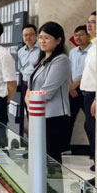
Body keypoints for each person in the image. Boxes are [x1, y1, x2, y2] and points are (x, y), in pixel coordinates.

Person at [26, 22, 71, 163]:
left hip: (53, 116)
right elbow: (30, 86)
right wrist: (29, 100)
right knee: (40, 157)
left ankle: (53, 179)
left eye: (47, 38)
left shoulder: (61, 60)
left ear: (58, 40)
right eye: (40, 37)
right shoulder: (42, 60)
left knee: (51, 158)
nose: (42, 41)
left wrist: (30, 99)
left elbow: (46, 92)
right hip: (37, 113)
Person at [67, 25, 91, 151]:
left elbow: (88, 72)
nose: (78, 38)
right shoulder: (72, 52)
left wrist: (75, 85)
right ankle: (65, 148)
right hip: (72, 91)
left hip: (87, 90)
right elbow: (68, 70)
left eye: (81, 35)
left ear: (88, 36)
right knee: (68, 121)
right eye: (76, 35)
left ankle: (93, 151)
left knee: (90, 123)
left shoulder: (92, 51)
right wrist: (71, 87)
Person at [80, 11, 97, 172]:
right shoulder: (93, 46)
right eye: (88, 22)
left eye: (93, 22)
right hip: (86, 94)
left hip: (95, 95)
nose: (89, 25)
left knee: (94, 130)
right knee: (89, 128)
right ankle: (96, 161)